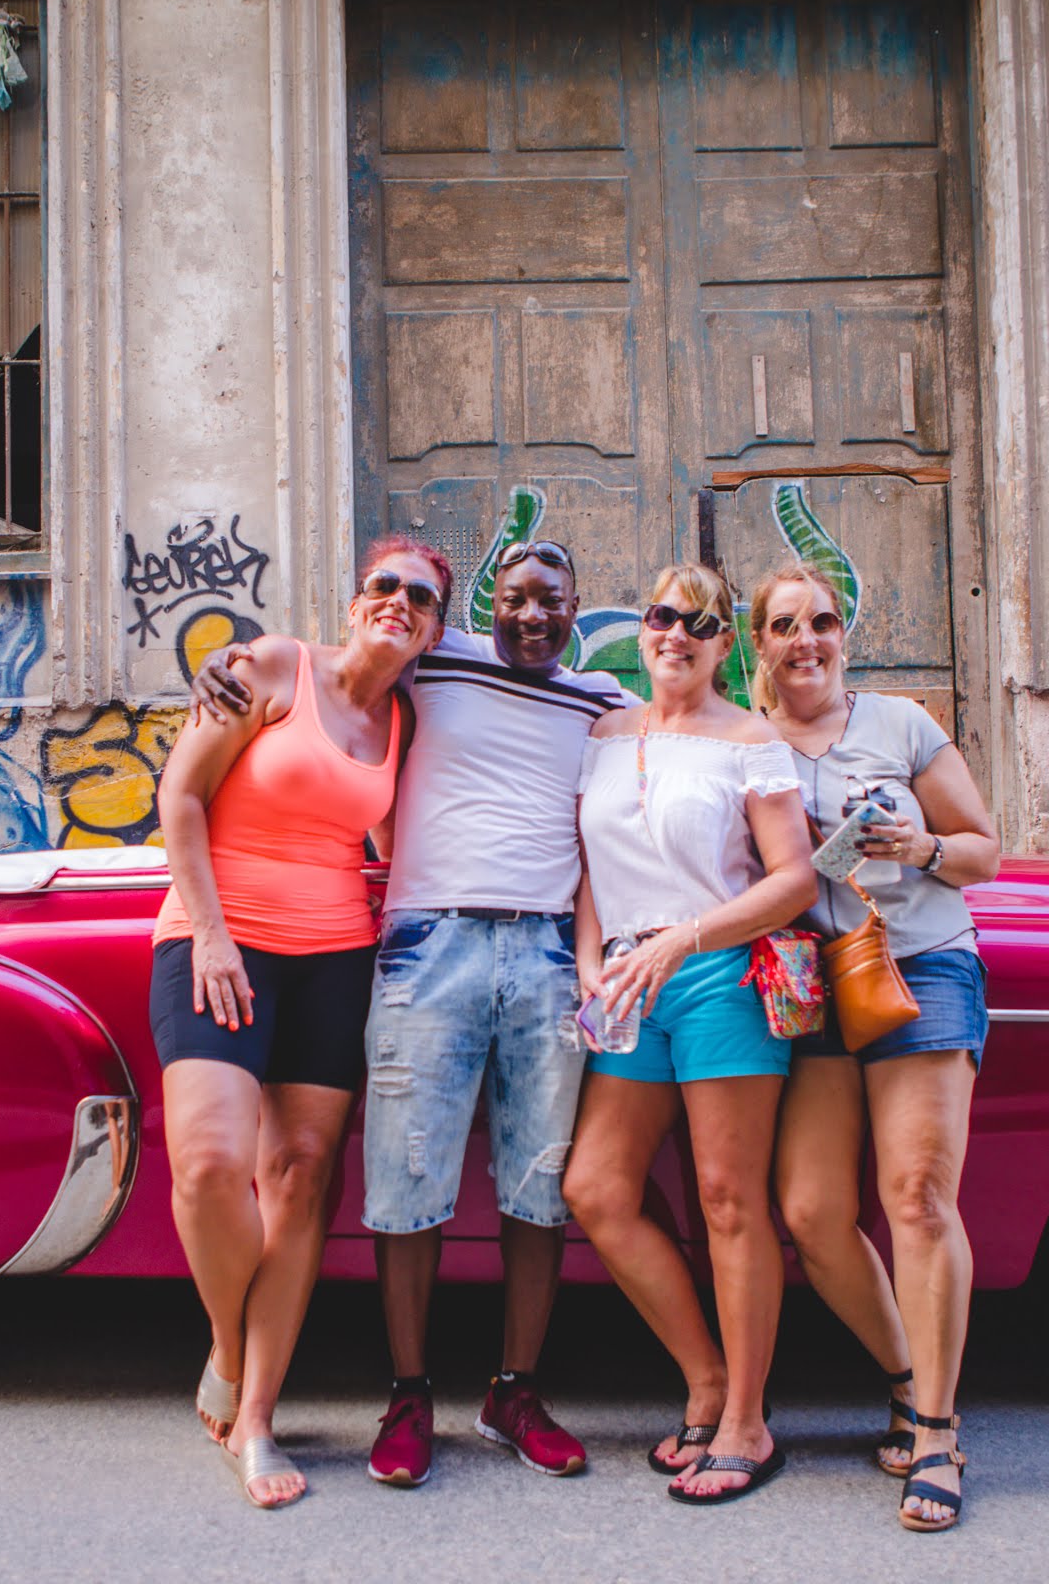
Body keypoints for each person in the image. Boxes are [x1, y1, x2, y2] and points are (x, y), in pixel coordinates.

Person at [192, 537, 628, 1489]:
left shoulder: (607, 704)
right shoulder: (433, 659)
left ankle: (515, 1392)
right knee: (405, 1179)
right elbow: (327, 665)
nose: (533, 615)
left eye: (552, 600)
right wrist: (215, 662)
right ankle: (408, 1394)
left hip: (550, 952)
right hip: (427, 944)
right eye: (514, 598)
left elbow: (695, 737)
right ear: (483, 606)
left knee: (538, 1183)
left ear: (575, 607)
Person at [150, 539, 446, 1509]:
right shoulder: (273, 665)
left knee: (300, 1179)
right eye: (385, 586)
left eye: (421, 598)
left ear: (434, 629)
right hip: (216, 942)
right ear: (356, 601)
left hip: (334, 960)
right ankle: (231, 1351)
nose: (399, 603)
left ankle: (258, 1417)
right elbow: (181, 797)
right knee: (205, 1163)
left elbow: (403, 846)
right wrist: (211, 933)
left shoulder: (405, 718)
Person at [745, 560, 1000, 1533]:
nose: (803, 640)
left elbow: (985, 845)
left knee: (917, 1196)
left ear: (843, 632)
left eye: (819, 622)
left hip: (922, 963)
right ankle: (904, 1372)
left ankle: (936, 1430)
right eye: (782, 626)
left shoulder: (898, 723)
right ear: (757, 643)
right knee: (811, 1211)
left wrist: (920, 847)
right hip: (812, 979)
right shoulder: (748, 741)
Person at [560, 562, 816, 1505]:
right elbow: (590, 862)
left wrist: (686, 939)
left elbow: (791, 879)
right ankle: (704, 1377)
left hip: (720, 972)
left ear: (723, 644)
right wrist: (592, 956)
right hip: (627, 979)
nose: (677, 633)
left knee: (726, 1200)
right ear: (645, 628)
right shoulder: (603, 732)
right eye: (664, 615)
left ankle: (747, 1420)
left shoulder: (749, 743)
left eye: (702, 623)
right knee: (596, 1188)